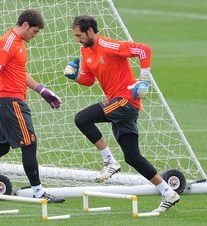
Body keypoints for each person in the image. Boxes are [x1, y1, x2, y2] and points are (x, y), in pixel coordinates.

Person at [64, 15, 179, 212]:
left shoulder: (110, 45)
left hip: (125, 101)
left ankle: (109, 161)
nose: (78, 39)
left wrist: (144, 79)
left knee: (82, 119)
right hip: (119, 106)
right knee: (133, 157)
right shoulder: (85, 51)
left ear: (90, 31)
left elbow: (144, 50)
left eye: (79, 35)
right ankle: (168, 192)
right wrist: (75, 76)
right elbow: (89, 79)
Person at [0, 9, 65, 203]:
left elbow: (19, 73)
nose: (35, 35)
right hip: (11, 103)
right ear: (25, 25)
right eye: (34, 31)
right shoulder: (7, 43)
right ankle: (39, 192)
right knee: (30, 144)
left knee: (0, 147)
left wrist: (42, 90)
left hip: (9, 102)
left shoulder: (19, 44)